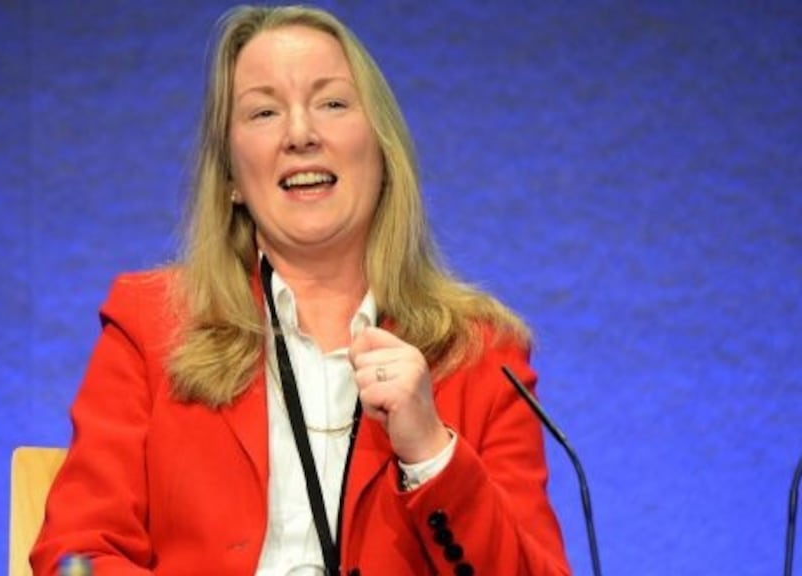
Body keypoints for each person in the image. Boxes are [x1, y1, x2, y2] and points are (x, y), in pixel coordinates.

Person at [31, 5, 572, 575]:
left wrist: (433, 455)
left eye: (332, 103)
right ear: (233, 178)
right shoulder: (151, 325)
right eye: (263, 112)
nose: (300, 134)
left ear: (383, 150)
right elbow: (80, 553)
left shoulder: (481, 353)